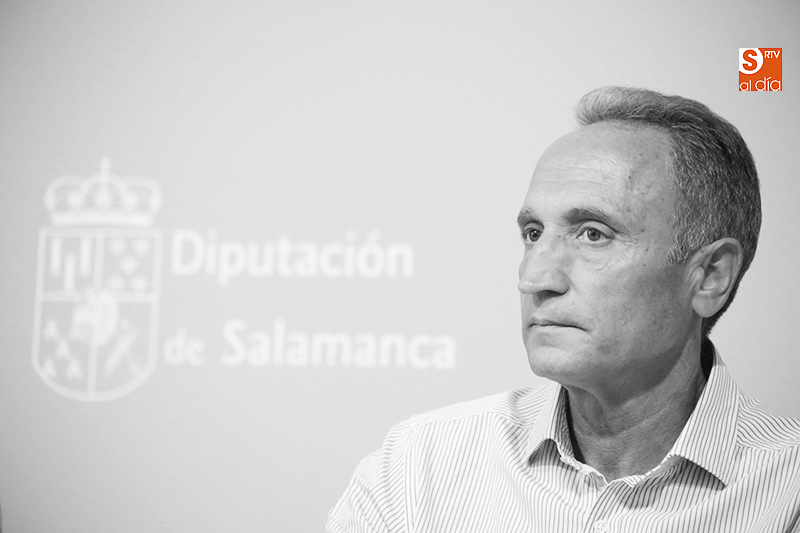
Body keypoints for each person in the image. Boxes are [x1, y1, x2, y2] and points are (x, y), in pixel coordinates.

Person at [326, 87, 800, 532]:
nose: (533, 279)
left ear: (711, 275)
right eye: (533, 234)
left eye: (593, 233)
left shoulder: (787, 491)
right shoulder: (418, 467)